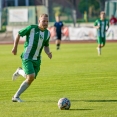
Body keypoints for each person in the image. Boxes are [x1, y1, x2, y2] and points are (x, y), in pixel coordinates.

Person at [11, 14, 52, 102]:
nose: (45, 23)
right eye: (44, 21)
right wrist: (15, 47)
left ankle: (19, 71)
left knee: (30, 78)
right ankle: (16, 97)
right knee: (31, 76)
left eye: (47, 21)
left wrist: (48, 52)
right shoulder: (31, 28)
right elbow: (18, 34)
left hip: (37, 59)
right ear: (39, 21)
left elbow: (46, 45)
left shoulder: (48, 33)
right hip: (27, 57)